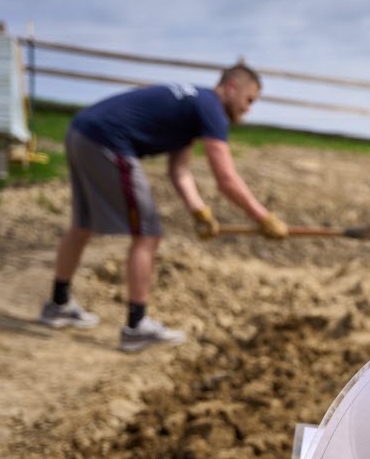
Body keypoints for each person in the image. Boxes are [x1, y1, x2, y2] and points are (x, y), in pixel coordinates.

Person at [38, 63, 288, 352]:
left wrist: (199, 211)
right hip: (108, 141)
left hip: (81, 132)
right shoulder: (211, 110)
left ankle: (57, 304)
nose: (248, 109)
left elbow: (178, 170)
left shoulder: (195, 105)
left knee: (83, 224)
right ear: (232, 87)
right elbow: (226, 179)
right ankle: (136, 327)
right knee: (148, 235)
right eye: (249, 100)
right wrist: (263, 218)